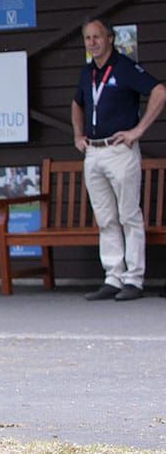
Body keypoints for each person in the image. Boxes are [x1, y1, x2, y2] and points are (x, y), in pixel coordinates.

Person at [71, 18, 164, 301]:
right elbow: (77, 103)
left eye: (97, 37)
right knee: (106, 218)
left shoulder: (124, 67)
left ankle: (133, 279)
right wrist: (78, 135)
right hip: (94, 151)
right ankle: (113, 276)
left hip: (119, 150)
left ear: (110, 38)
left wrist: (139, 130)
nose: (92, 43)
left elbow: (159, 91)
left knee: (128, 216)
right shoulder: (87, 73)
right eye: (87, 38)